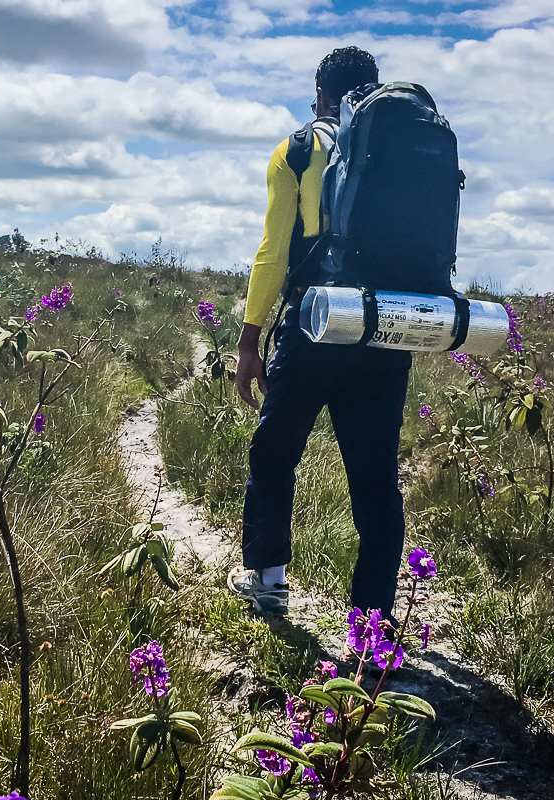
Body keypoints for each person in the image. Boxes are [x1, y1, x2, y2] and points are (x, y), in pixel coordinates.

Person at [228, 47, 411, 620]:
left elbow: (273, 252)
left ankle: (270, 581)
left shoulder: (299, 149)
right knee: (376, 479)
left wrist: (250, 340)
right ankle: (373, 622)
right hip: (384, 332)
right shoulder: (400, 147)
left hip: (313, 327)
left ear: (322, 94)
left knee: (276, 452)